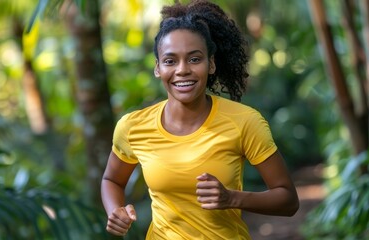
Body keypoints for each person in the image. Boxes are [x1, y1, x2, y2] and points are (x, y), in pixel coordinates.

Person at [101, 0, 299, 239]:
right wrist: (116, 210)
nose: (182, 70)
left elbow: (288, 200)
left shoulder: (244, 121)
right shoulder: (132, 127)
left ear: (211, 64)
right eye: (170, 60)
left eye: (194, 59)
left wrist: (232, 198)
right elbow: (112, 179)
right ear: (157, 68)